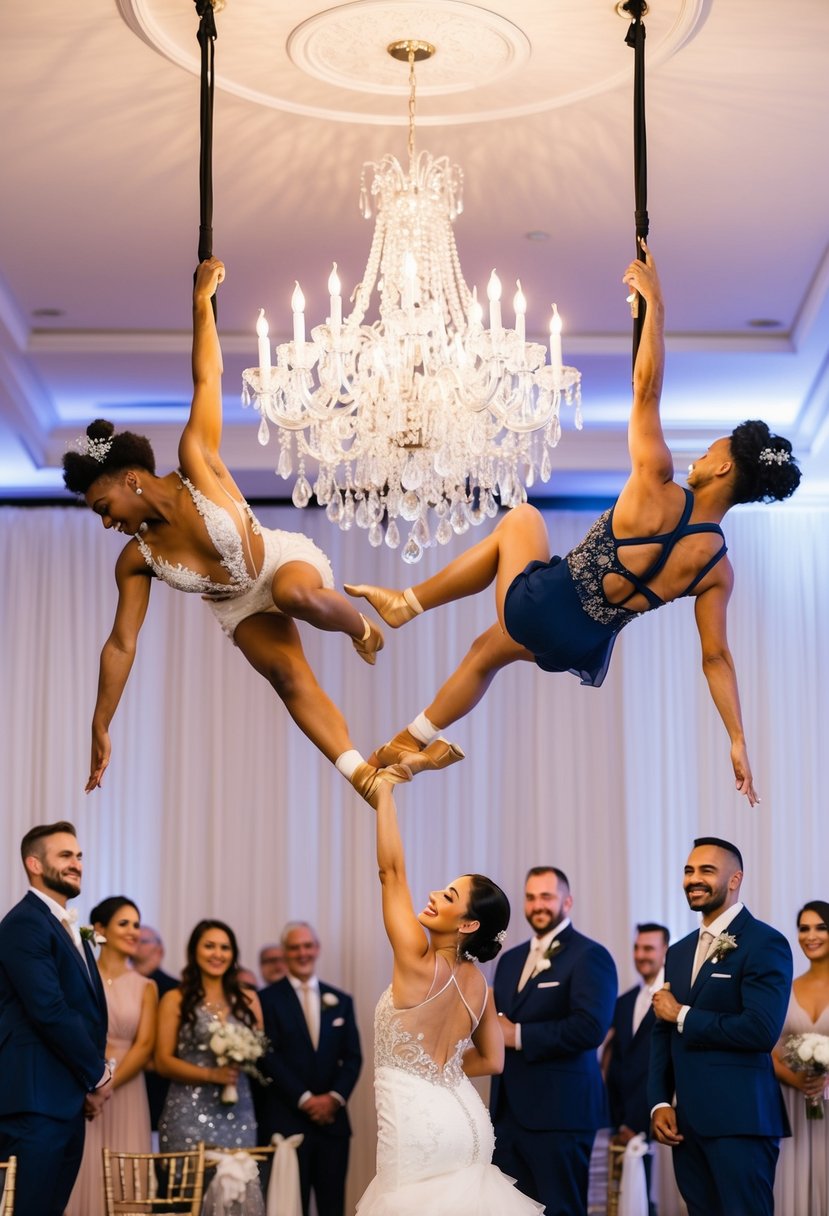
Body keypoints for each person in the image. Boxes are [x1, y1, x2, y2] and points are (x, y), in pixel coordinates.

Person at [345, 242, 801, 806]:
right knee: (486, 652)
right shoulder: (717, 569)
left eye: (709, 452)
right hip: (578, 645)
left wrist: (656, 308)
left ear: (726, 465)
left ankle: (406, 603)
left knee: (522, 518)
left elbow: (647, 389)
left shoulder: (657, 482)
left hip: (543, 604)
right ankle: (403, 746)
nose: (698, 458)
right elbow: (715, 658)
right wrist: (736, 738)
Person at [61, 256, 462, 807]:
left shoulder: (194, 462)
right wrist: (100, 723)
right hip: (238, 606)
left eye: (105, 505)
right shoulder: (137, 557)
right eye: (98, 517)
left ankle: (365, 630)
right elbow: (121, 643)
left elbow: (208, 377)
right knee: (287, 678)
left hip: (279, 563)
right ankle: (362, 777)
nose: (107, 522)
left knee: (293, 593)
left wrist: (202, 306)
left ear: (131, 480)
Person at [355, 783, 543, 1215]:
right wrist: (442, 1070)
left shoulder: (416, 962)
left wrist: (384, 794)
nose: (435, 895)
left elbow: (392, 872)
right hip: (468, 1123)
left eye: (450, 896)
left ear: (469, 925)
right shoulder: (480, 986)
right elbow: (493, 1061)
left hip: (419, 1127)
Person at [648, 836, 792, 1216]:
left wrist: (682, 1014)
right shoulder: (678, 951)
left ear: (735, 879)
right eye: (689, 871)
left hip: (740, 1122)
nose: (694, 879)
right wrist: (660, 1101)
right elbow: (661, 1033)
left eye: (706, 870)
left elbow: (760, 1030)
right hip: (685, 1125)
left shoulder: (765, 943)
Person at [492, 865, 617, 1216]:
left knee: (560, 1209)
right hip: (507, 1114)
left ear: (568, 901)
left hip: (562, 1115)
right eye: (530, 898)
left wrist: (517, 1035)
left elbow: (590, 1027)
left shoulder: (590, 956)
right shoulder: (510, 959)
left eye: (546, 896)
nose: (537, 905)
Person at [0, 822, 110, 1216]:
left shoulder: (65, 926)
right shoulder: (25, 923)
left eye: (79, 856)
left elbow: (88, 1010)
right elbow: (49, 1010)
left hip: (64, 1102)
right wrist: (97, 1074)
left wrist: (88, 1081)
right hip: (34, 1105)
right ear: (34, 863)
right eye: (65, 855)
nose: (76, 863)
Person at [257, 922, 362, 1216]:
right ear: (285, 953)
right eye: (294, 947)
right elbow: (267, 1056)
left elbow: (353, 1058)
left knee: (333, 1206)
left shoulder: (340, 1001)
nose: (302, 953)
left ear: (316, 949)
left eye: (307, 946)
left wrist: (334, 1098)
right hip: (288, 1120)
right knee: (290, 1206)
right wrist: (304, 1099)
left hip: (333, 1124)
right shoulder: (266, 1000)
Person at [66, 896, 157, 1216]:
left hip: (125, 1090)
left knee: (125, 1183)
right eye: (124, 924)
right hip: (82, 1088)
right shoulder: (79, 978)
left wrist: (106, 1085)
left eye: (136, 924)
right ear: (100, 929)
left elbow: (145, 1046)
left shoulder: (146, 985)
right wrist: (91, 1085)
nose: (134, 931)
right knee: (80, 1172)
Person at [155, 919, 262, 1153]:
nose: (218, 954)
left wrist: (241, 1054)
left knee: (238, 1184)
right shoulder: (175, 999)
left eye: (225, 948)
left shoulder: (249, 1000)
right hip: (188, 1111)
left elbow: (259, 1050)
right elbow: (162, 1062)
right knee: (189, 1186)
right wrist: (212, 1074)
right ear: (194, 951)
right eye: (209, 946)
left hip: (239, 1110)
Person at [602, 922, 669, 1215]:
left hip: (663, 1122)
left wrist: (644, 1120)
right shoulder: (623, 1002)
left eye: (649, 949)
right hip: (627, 1127)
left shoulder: (678, 999)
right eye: (637, 948)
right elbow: (617, 1066)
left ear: (665, 951)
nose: (641, 955)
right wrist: (622, 1123)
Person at [772, 899, 829, 1214]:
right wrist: (794, 1078)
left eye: (821, 927)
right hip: (792, 1102)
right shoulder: (785, 989)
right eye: (804, 928)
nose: (811, 935)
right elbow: (765, 1044)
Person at [133, 924, 178, 1136]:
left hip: (159, 1084)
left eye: (143, 941)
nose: (136, 945)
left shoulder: (174, 989)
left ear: (159, 950)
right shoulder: (117, 984)